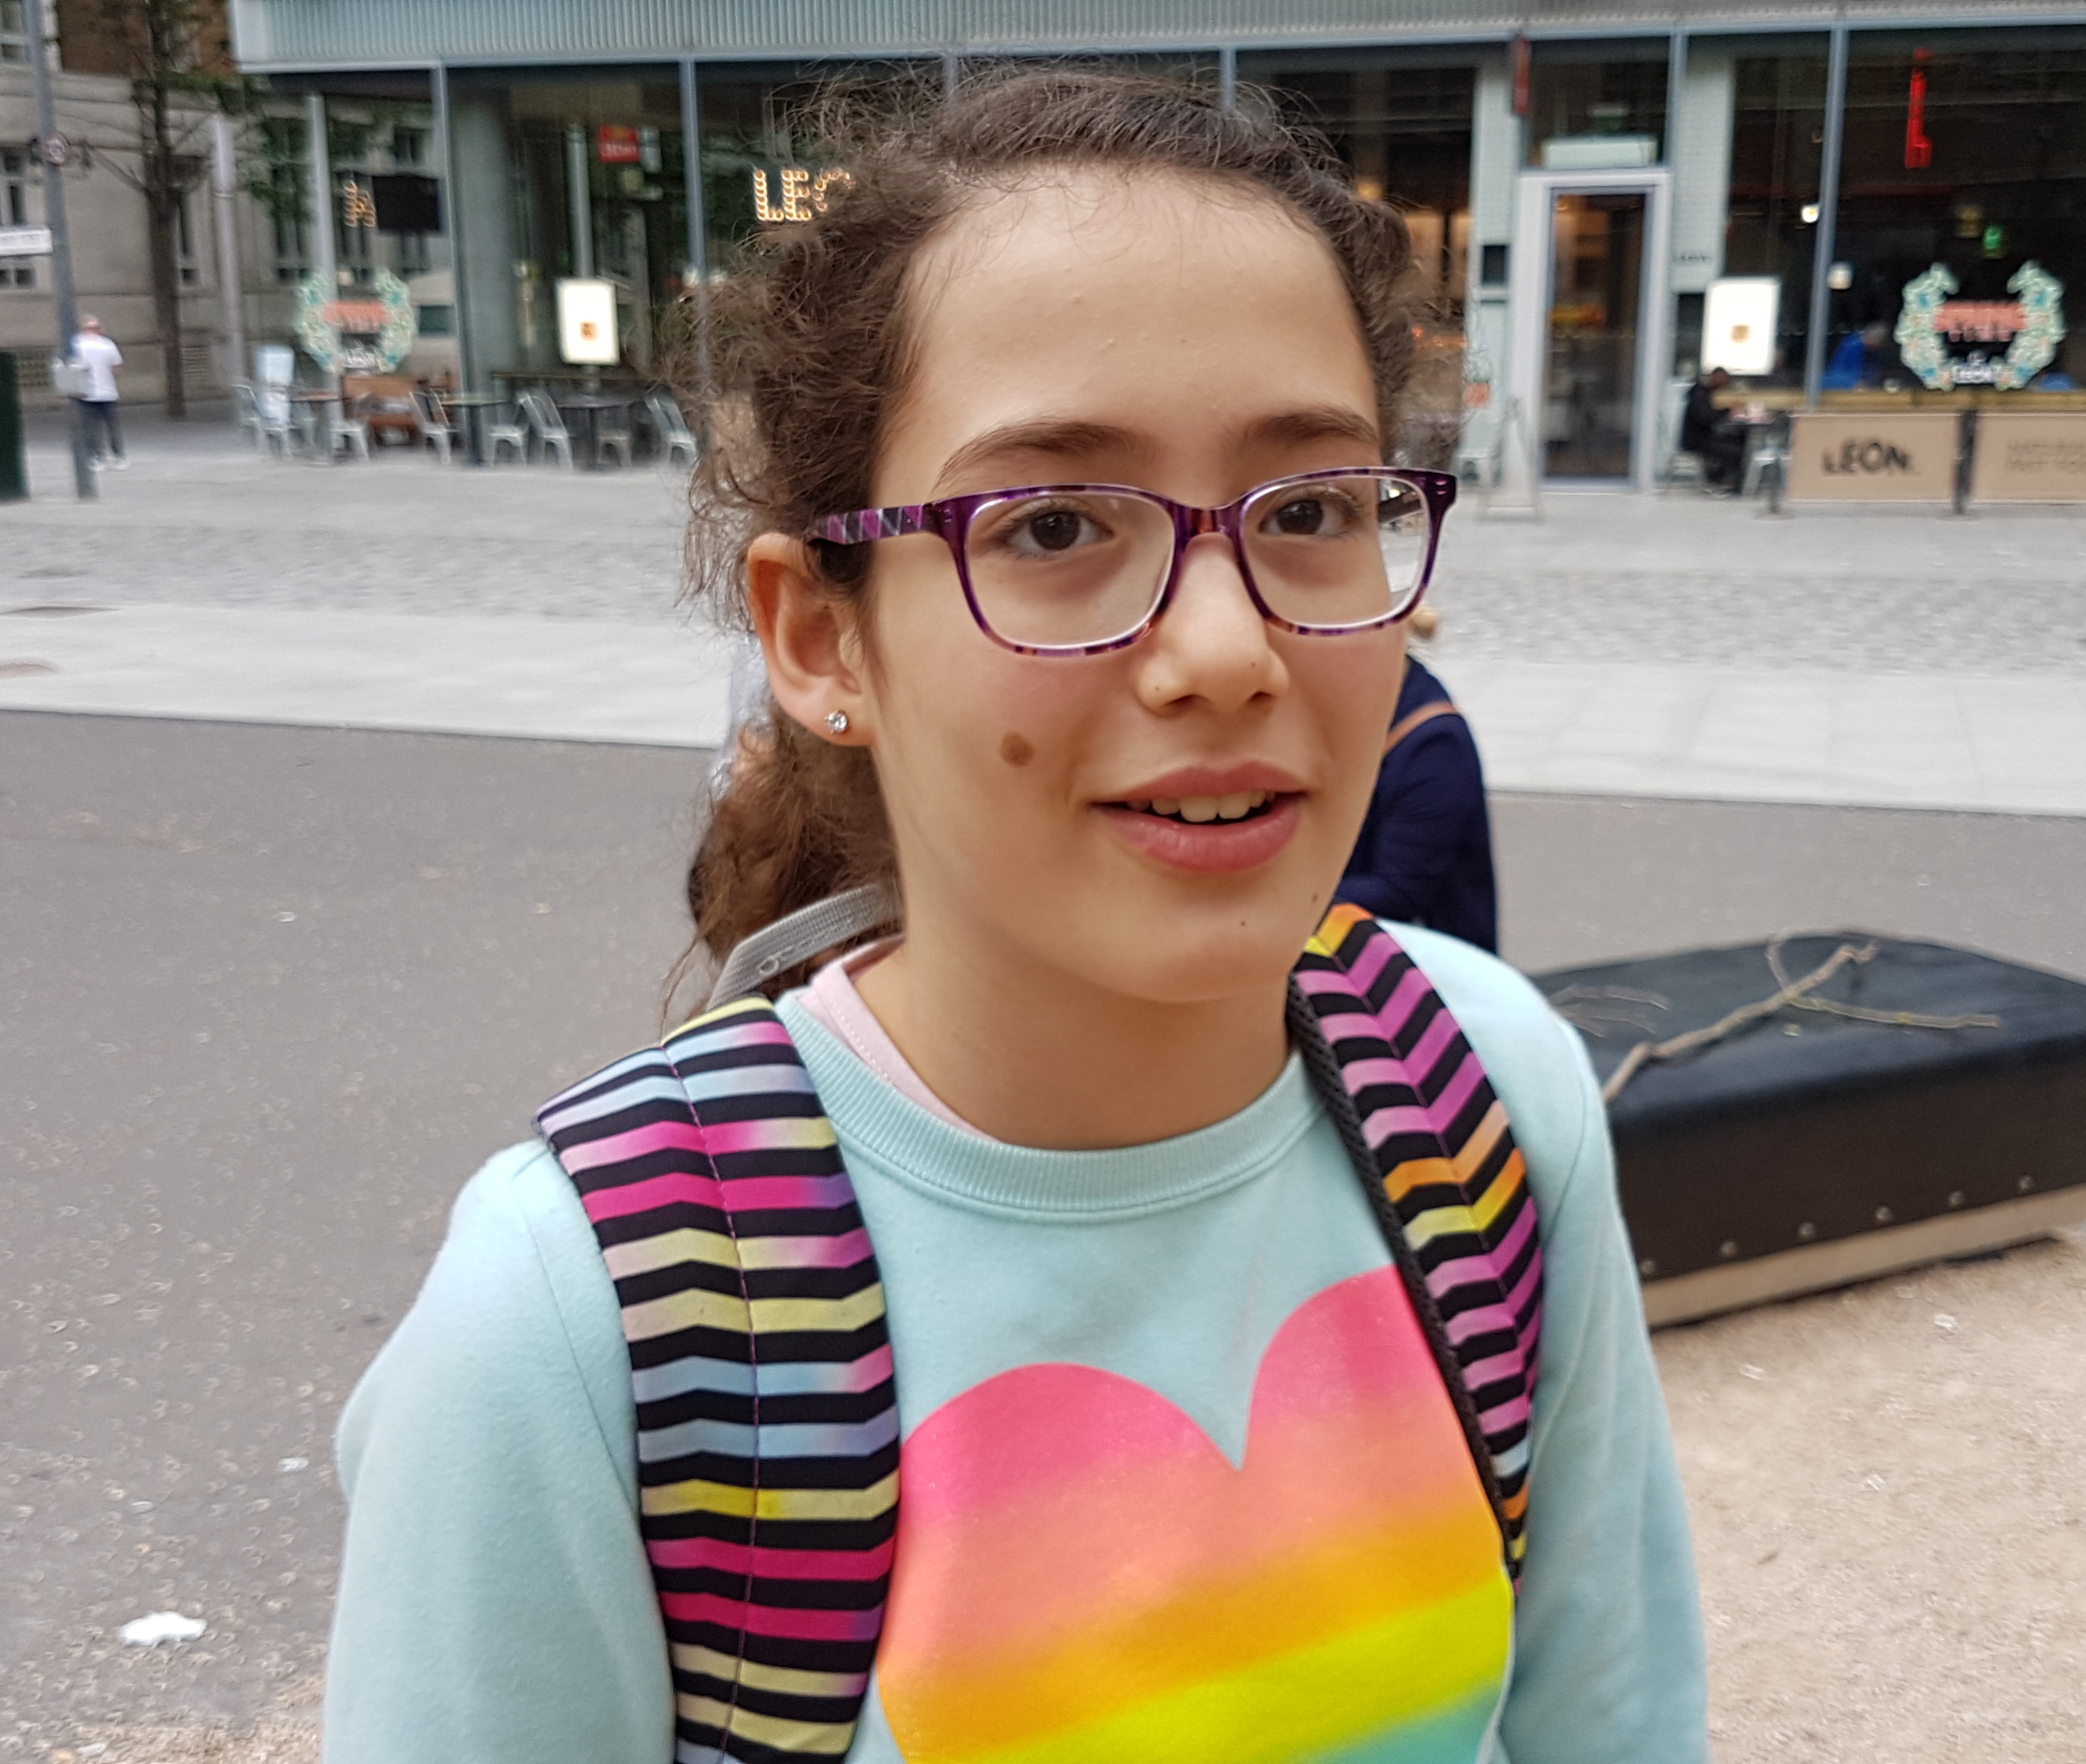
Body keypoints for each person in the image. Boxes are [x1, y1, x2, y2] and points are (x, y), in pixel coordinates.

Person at [325, 69, 1706, 1764]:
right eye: (1051, 525)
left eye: (1311, 511)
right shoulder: (588, 1318)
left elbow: (1615, 1721)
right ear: (820, 636)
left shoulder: (1482, 1088)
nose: (1226, 650)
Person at [1340, 607, 1497, 951]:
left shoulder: (1436, 744)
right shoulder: (1360, 712)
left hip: (1429, 968)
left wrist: (1278, 894)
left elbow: (1398, 892)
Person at [1678, 365, 1748, 492]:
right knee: (1734, 450)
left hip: (1704, 437)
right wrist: (1727, 411)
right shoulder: (1700, 395)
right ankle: (1721, 481)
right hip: (1697, 440)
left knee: (1737, 442)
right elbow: (1707, 419)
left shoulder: (1703, 394)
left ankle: (1726, 481)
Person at [68, 314, 126, 471]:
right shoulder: (108, 344)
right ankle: (118, 457)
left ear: (84, 329)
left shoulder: (76, 344)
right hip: (107, 392)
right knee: (112, 426)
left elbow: (70, 366)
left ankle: (97, 457)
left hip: (85, 393)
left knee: (91, 428)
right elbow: (116, 369)